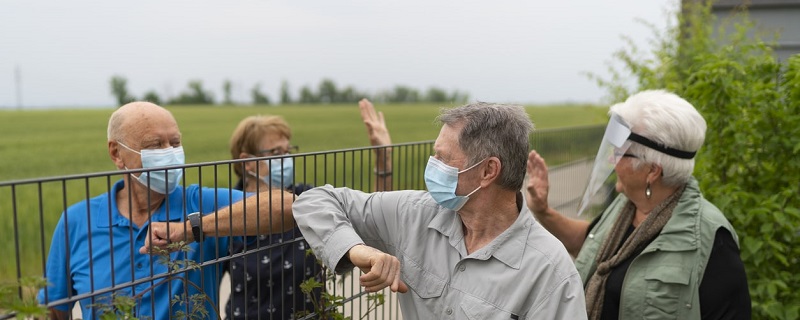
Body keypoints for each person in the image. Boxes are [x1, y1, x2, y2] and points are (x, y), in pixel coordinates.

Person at [292, 102, 588, 319]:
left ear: (488, 171)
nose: (433, 166)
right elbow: (314, 200)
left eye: (443, 158)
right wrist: (357, 250)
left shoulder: (549, 271)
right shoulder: (414, 214)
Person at [38, 101, 295, 320]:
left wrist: (192, 229)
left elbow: (287, 207)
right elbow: (54, 309)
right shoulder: (76, 221)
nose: (169, 154)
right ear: (117, 153)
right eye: (155, 145)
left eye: (175, 143)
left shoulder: (199, 203)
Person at [525, 90, 751, 319]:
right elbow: (590, 243)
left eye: (620, 152)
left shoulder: (711, 240)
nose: (611, 159)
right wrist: (544, 211)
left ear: (652, 170)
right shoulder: (626, 206)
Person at [223, 98, 394, 319]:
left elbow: (371, 216)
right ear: (248, 162)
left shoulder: (306, 199)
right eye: (276, 152)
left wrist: (383, 158)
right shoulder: (225, 213)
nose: (286, 158)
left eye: (288, 150)